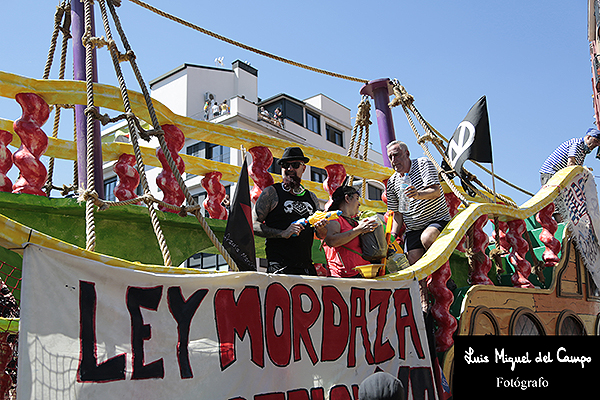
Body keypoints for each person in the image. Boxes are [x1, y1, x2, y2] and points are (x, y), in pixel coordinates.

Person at [386, 140, 451, 310]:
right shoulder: (392, 182)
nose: (394, 160)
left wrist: (417, 194)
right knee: (413, 260)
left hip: (436, 219)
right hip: (413, 226)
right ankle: (423, 302)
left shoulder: (423, 164)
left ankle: (445, 278)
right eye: (390, 157)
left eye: (397, 155)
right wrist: (392, 235)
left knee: (427, 237)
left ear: (407, 154)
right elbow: (397, 214)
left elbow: (436, 190)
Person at [253, 147, 328, 275]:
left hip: (306, 267)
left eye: (295, 165)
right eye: (285, 165)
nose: (290, 169)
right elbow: (253, 225)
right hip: (280, 267)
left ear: (303, 168)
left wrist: (321, 228)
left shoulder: (312, 197)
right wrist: (283, 233)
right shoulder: (271, 193)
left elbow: (321, 235)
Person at [539, 128, 600, 221]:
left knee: (566, 200)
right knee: (557, 201)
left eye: (598, 143)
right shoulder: (577, 143)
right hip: (551, 174)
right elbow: (571, 164)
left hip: (561, 176)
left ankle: (566, 223)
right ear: (588, 137)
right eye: (595, 141)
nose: (596, 145)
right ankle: (562, 224)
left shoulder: (583, 152)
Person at [322, 186, 379, 278]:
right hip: (344, 278)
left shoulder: (355, 222)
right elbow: (332, 241)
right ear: (347, 198)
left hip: (365, 273)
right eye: (357, 199)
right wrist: (359, 229)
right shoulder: (333, 218)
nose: (359, 204)